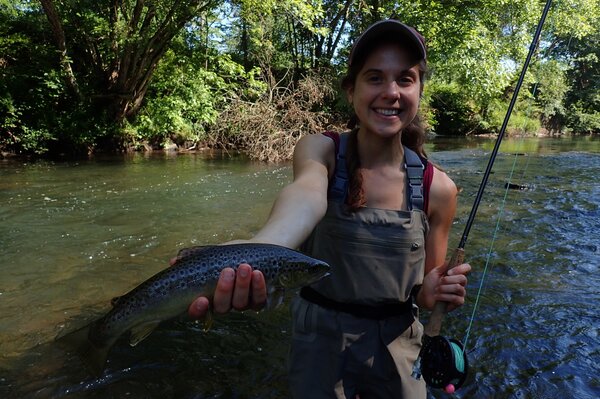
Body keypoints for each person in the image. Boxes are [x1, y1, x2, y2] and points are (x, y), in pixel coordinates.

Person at [185, 19, 471, 398]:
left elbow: (423, 293)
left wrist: (433, 293)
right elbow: (304, 197)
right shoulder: (320, 151)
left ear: (419, 91)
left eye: (405, 79)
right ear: (351, 91)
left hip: (400, 348)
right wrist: (256, 251)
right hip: (319, 344)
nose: (391, 92)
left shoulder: (439, 189)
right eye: (374, 78)